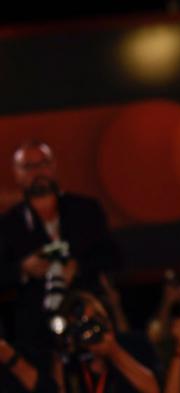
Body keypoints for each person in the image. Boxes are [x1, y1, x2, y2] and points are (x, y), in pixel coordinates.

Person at [0, 140, 121, 348]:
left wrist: (78, 266)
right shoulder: (8, 225)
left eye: (43, 164)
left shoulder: (85, 210)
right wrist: (23, 269)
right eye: (28, 167)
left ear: (54, 166)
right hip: (36, 330)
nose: (38, 172)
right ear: (16, 172)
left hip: (88, 317)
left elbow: (113, 256)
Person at [51, 291, 160, 393]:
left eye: (94, 320)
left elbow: (154, 389)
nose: (90, 331)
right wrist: (60, 357)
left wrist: (112, 350)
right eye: (81, 327)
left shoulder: (134, 344)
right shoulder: (72, 362)